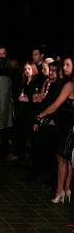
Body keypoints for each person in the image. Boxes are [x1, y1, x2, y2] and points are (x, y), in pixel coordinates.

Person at [36, 58, 74, 203]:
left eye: (67, 65)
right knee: (69, 160)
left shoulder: (69, 85)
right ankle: (67, 189)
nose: (64, 67)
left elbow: (55, 105)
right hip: (69, 126)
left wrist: (41, 114)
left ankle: (60, 191)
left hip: (68, 127)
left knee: (62, 158)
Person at [15, 61, 40, 165]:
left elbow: (36, 100)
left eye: (29, 69)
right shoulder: (23, 82)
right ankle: (22, 159)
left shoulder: (37, 83)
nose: (27, 71)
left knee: (30, 139)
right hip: (21, 113)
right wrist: (19, 97)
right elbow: (18, 94)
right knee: (21, 136)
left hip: (30, 114)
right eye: (25, 69)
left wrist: (28, 100)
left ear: (33, 69)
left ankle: (31, 162)